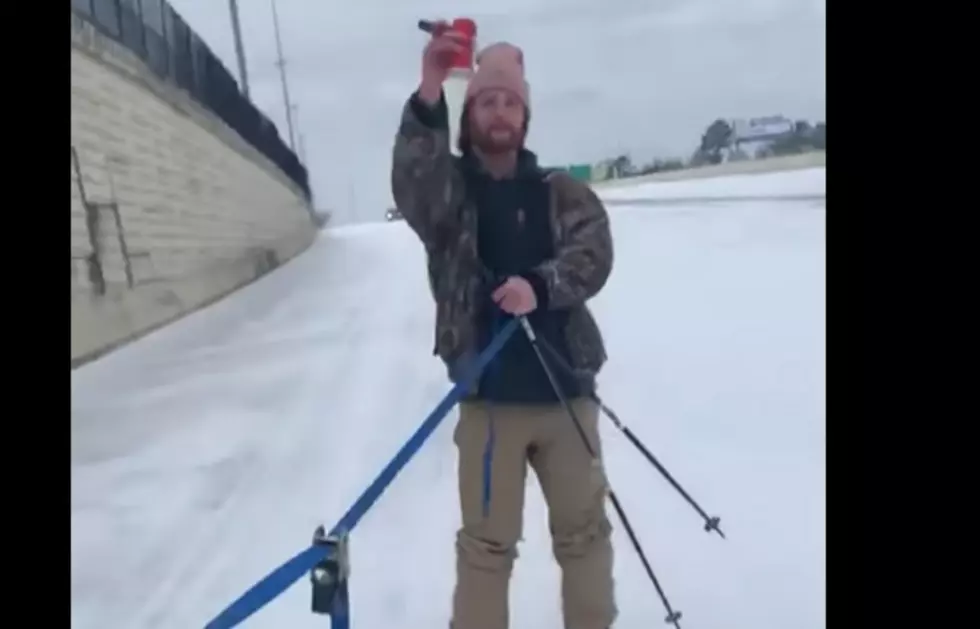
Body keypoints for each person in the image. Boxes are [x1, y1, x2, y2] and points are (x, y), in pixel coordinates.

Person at [390, 25, 617, 629]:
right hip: (490, 405)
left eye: (510, 101)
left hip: (566, 395)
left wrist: (538, 287)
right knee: (487, 551)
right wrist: (431, 86)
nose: (499, 111)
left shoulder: (559, 192)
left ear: (525, 116)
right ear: (469, 116)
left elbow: (592, 254)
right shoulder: (448, 196)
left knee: (585, 537)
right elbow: (413, 184)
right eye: (487, 100)